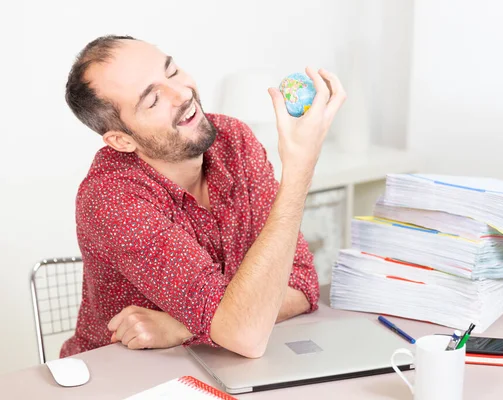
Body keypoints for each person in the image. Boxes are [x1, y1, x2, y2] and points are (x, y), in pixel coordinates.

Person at [60, 35, 345, 358]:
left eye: (172, 72)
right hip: (124, 373)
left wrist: (185, 326)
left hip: (220, 362)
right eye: (153, 101)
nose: (182, 94)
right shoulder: (112, 199)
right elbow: (245, 334)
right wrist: (299, 170)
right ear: (122, 140)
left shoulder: (234, 141)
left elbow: (302, 285)